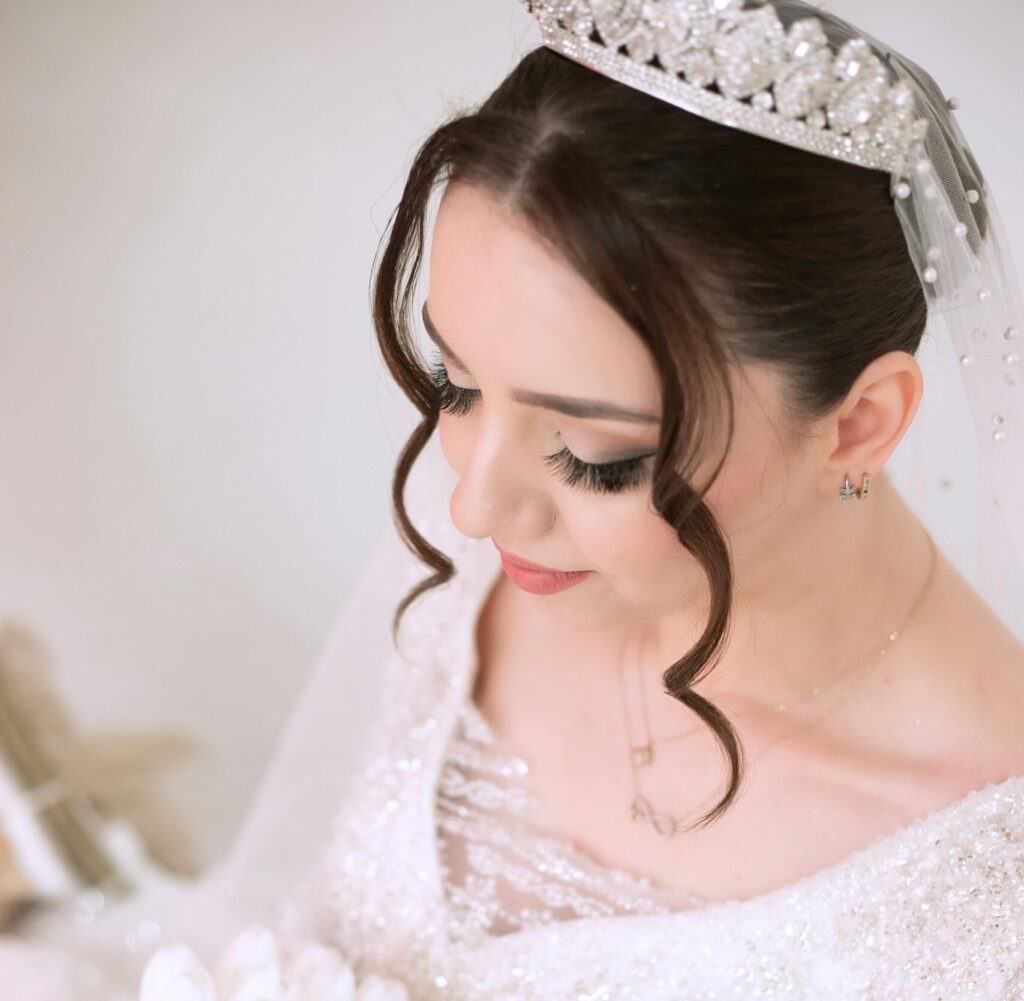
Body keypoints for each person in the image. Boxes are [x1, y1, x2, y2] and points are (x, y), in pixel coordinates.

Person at [8, 0, 1024, 997]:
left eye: (594, 455)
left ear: (860, 425)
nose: (473, 511)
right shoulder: (504, 565)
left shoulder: (984, 905)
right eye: (453, 385)